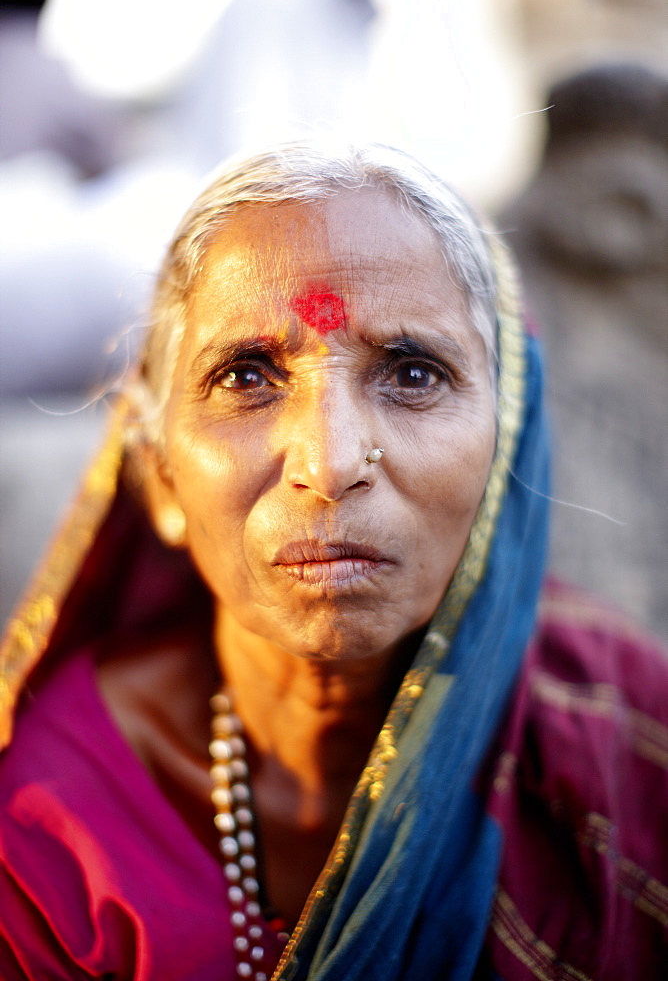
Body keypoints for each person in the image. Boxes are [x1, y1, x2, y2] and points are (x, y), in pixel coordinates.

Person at [0, 143, 665, 980]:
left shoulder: (631, 741)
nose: (330, 458)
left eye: (412, 372)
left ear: (507, 445)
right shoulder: (40, 835)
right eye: (247, 376)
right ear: (160, 473)